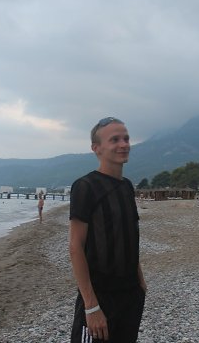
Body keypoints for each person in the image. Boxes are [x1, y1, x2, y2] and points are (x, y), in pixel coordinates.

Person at [69, 117, 147, 342]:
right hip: (100, 295)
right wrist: (91, 306)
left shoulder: (127, 186)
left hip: (130, 294)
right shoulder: (85, 187)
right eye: (115, 140)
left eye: (126, 139)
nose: (124, 144)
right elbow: (75, 247)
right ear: (96, 148)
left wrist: (140, 281)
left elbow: (128, 235)